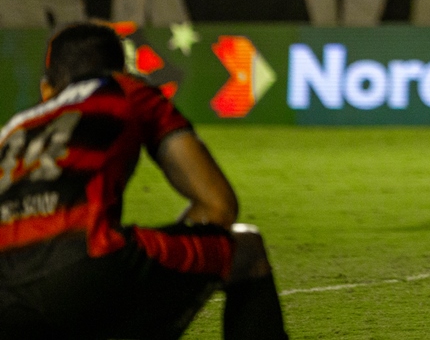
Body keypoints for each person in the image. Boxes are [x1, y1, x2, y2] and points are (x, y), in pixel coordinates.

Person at [0, 22, 289, 340]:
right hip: (83, 269)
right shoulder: (125, 90)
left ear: (46, 89)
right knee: (245, 248)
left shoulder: (13, 128)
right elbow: (219, 206)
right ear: (122, 69)